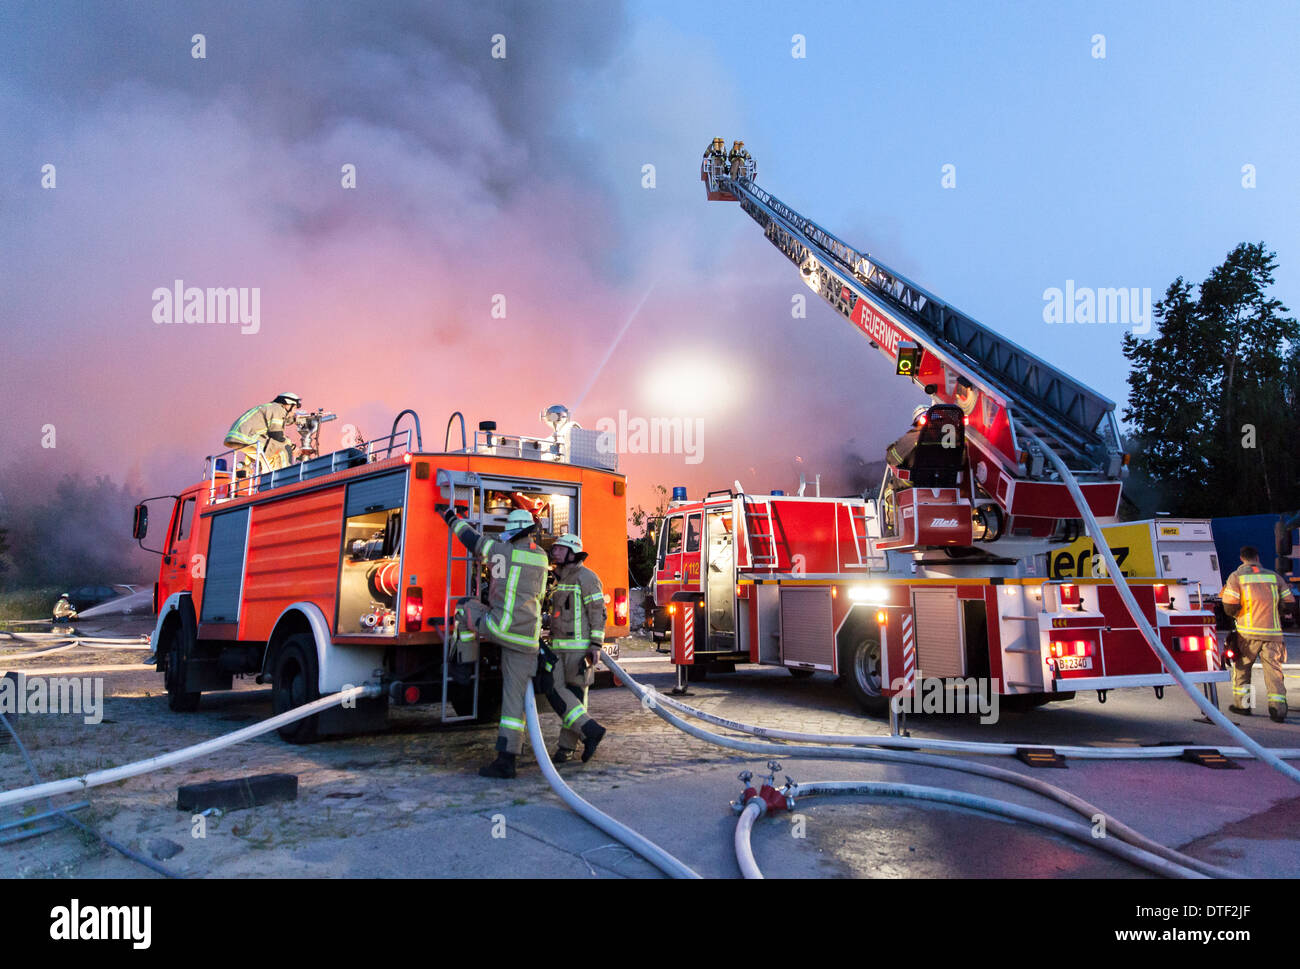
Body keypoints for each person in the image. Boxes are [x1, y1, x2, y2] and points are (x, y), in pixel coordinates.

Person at [442, 505, 549, 778]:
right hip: (527, 638)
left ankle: (463, 666)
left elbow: (471, 540)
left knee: (464, 606)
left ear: (513, 533)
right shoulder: (542, 558)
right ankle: (506, 760)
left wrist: (450, 516)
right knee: (513, 701)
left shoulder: (502, 551)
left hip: (499, 628)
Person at [543, 533, 609, 764]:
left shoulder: (588, 578)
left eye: (560, 549)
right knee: (554, 690)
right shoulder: (559, 580)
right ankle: (589, 731)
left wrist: (595, 645)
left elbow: (598, 613)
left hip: (579, 650)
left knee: (576, 697)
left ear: (572, 553)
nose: (555, 552)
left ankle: (566, 748)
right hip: (558, 649)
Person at [1221, 545, 1293, 722]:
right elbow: (1289, 604)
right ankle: (1278, 710)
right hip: (1273, 634)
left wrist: (1240, 615)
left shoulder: (1237, 577)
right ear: (1257, 558)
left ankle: (1244, 706)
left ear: (1241, 558)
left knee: (1242, 669)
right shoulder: (1274, 577)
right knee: (1274, 672)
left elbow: (1229, 607)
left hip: (1247, 634)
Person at [224, 393, 302, 472]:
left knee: (270, 453)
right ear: (288, 404)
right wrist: (293, 447)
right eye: (294, 408)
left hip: (237, 438)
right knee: (283, 449)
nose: (294, 411)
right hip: (247, 437)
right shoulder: (278, 409)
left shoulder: (269, 407)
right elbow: (276, 435)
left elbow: (280, 421)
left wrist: (294, 420)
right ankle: (285, 476)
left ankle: (267, 476)